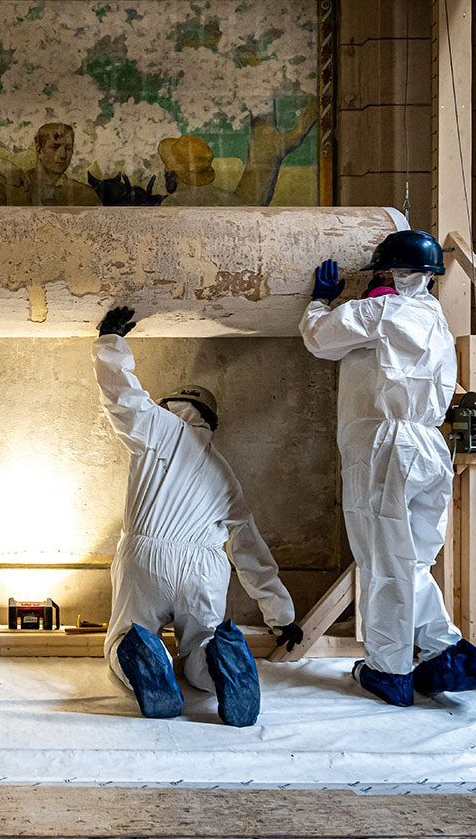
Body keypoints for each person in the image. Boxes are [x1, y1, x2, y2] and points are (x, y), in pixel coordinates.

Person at [298, 230, 476, 706]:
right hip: (430, 447)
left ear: (390, 273)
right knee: (410, 560)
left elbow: (319, 339)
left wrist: (319, 301)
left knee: (383, 562)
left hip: (385, 448)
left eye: (382, 272)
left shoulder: (379, 311)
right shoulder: (433, 315)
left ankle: (389, 671)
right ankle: (444, 651)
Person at [93, 306, 301, 726]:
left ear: (172, 407)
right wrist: (281, 617)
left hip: (147, 556)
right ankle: (219, 657)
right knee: (201, 645)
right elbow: (250, 553)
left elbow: (123, 396)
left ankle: (147, 660)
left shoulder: (159, 428)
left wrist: (110, 339)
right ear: (212, 422)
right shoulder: (226, 476)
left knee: (126, 637)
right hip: (205, 565)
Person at [0, 122, 101, 206]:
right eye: (55, 147)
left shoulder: (84, 194)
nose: (63, 155)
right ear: (39, 149)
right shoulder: (8, 188)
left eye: (68, 148)